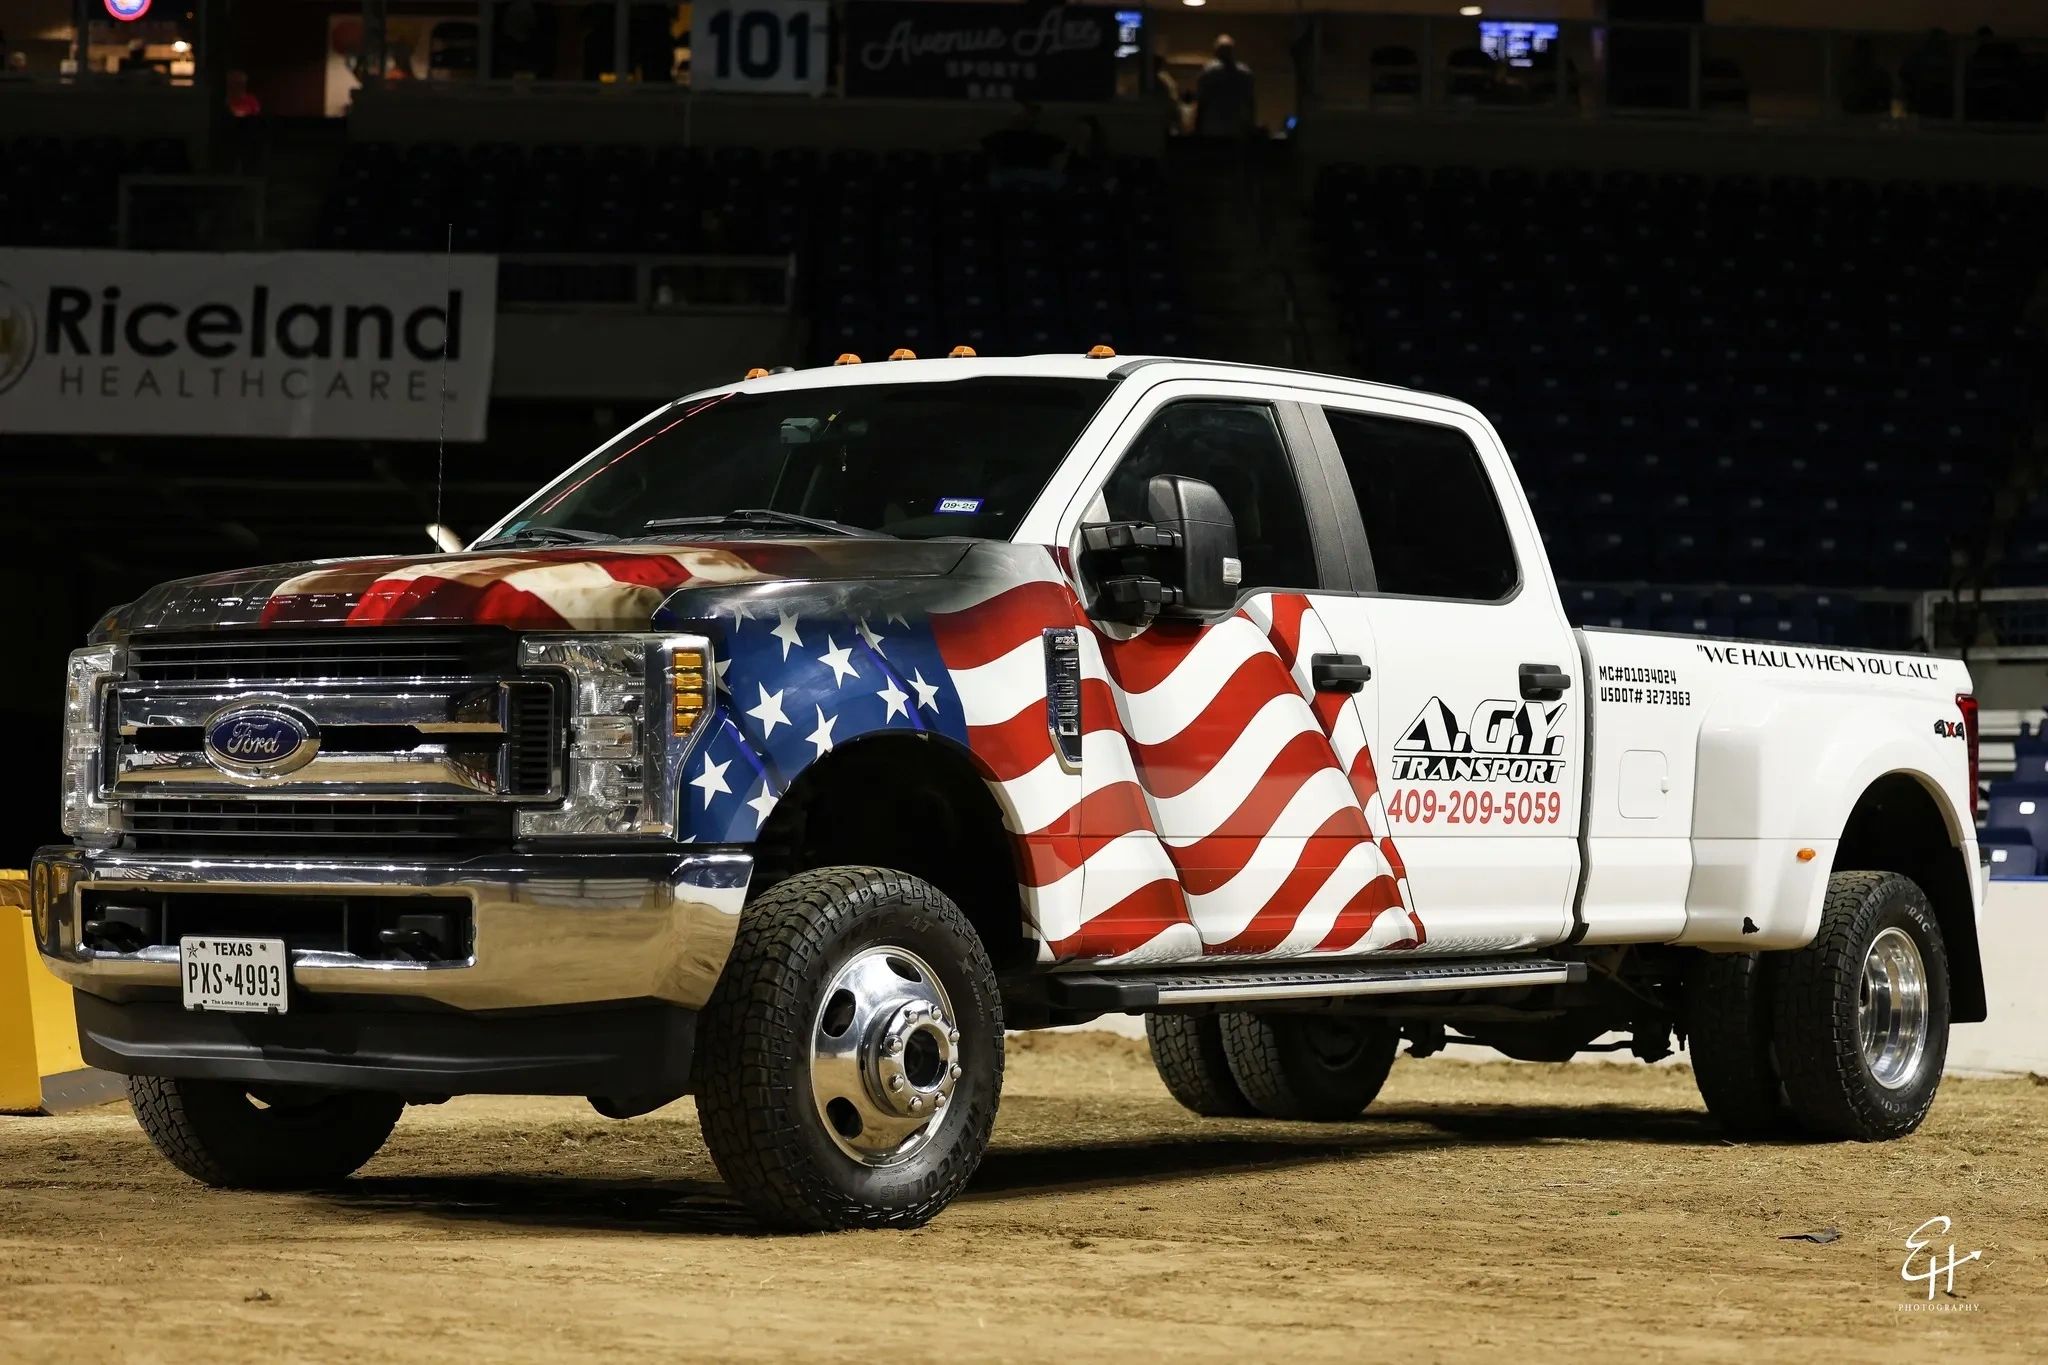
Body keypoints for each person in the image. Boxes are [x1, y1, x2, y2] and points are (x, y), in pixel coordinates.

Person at [981, 102, 1067, 191]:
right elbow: (986, 152)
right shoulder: (1002, 136)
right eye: (1026, 115)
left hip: (1037, 173)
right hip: (1009, 172)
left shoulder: (1046, 137)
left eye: (1031, 115)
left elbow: (1061, 155)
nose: (1028, 118)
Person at [1194, 35, 1256, 138]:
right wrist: (1250, 126)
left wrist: (1197, 128)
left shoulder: (1208, 72)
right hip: (1237, 128)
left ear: (1216, 52)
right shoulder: (1245, 73)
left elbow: (1202, 101)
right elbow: (1250, 103)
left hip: (1212, 128)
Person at [1839, 36, 1892, 116]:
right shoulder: (1848, 75)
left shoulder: (1881, 75)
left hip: (1875, 119)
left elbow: (1887, 103)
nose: (1863, 56)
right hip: (1851, 119)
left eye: (1866, 53)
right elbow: (1844, 101)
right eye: (1860, 52)